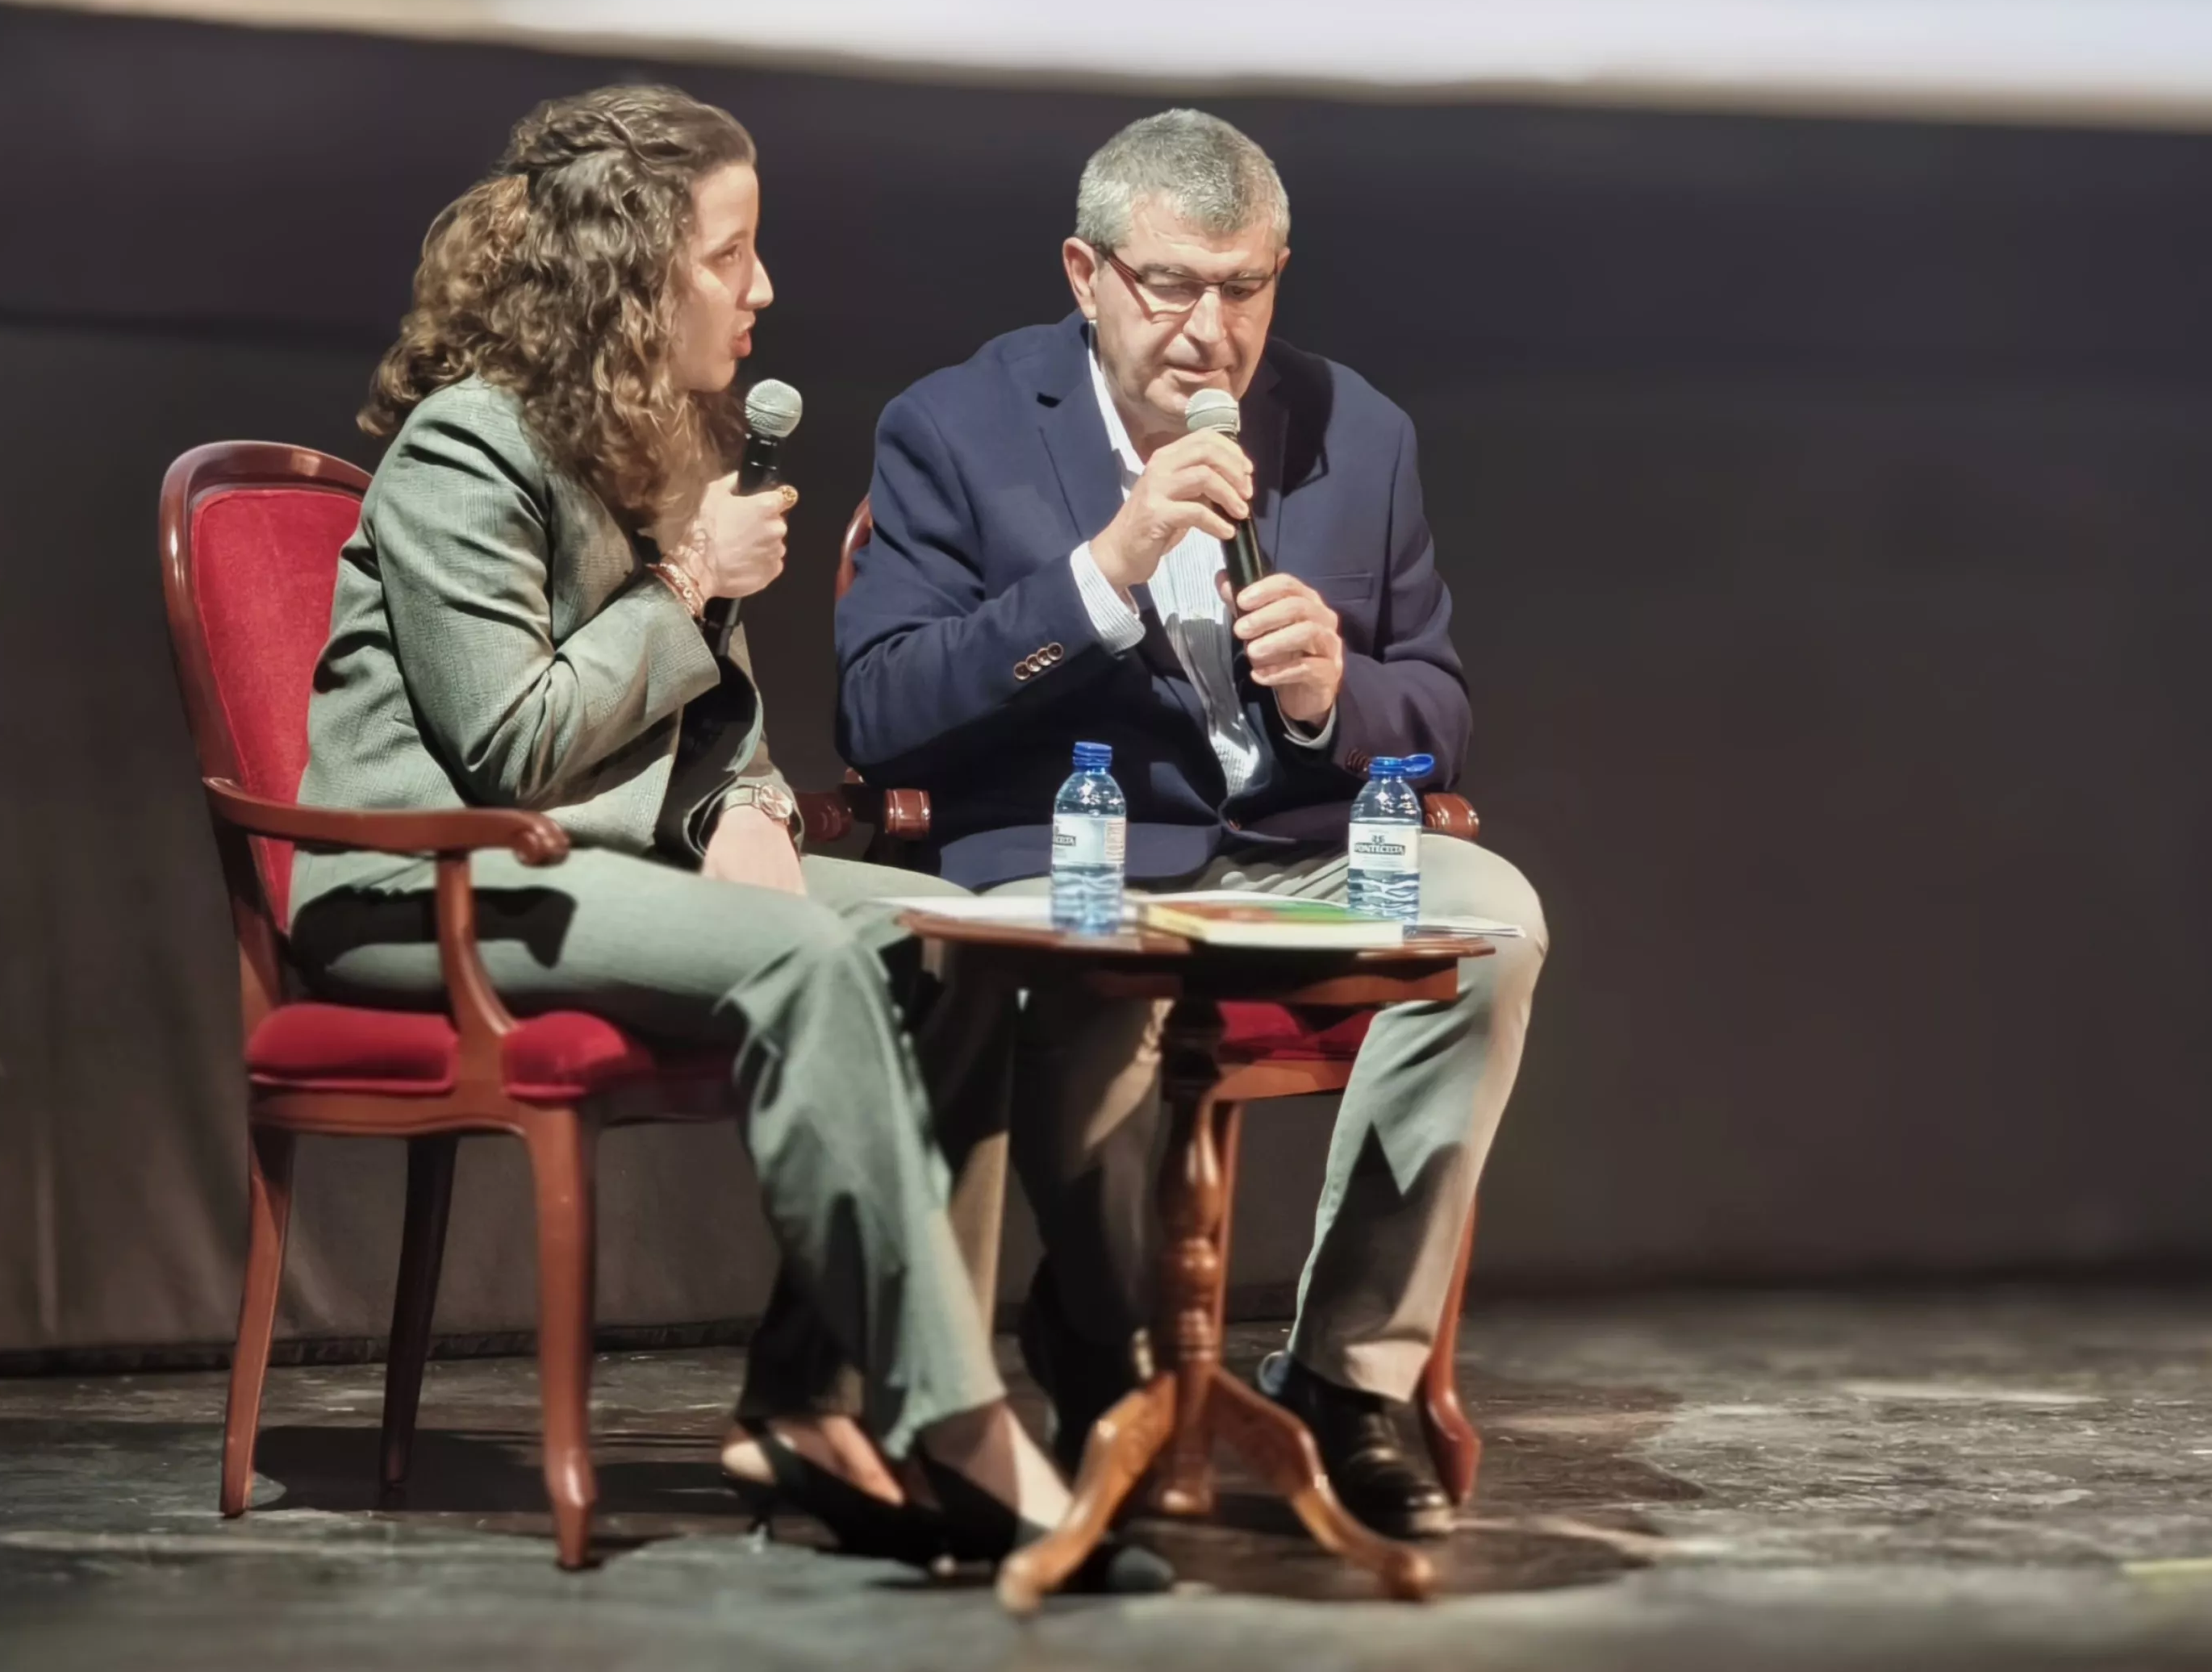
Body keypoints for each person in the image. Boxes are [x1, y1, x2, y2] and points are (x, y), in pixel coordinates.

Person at [286, 84, 1162, 1590]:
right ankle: (955, 1427)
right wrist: (689, 580)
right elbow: (511, 746)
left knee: (950, 937)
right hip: (423, 882)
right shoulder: (463, 450)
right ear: (629, 273)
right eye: (728, 255)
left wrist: (751, 808)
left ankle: (810, 1403)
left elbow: (720, 724)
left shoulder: (655, 440)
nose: (762, 289)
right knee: (805, 961)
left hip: (595, 860)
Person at [837, 109, 1549, 1540]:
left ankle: (1349, 1375)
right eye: (1170, 286)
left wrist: (1336, 693)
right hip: (1075, 853)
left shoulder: (1357, 431)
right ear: (1086, 273)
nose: (1210, 333)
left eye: (1244, 288)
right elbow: (881, 709)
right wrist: (1107, 569)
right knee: (1090, 990)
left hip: (1296, 843)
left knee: (1500, 921)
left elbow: (1440, 708)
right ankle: (1104, 1343)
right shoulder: (957, 425)